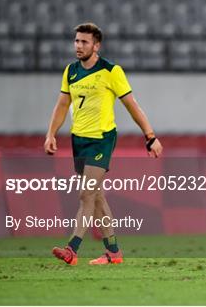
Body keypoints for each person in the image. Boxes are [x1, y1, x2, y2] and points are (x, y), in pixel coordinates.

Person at [44, 23, 163, 265]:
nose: (78, 46)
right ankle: (113, 252)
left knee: (86, 194)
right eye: (76, 41)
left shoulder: (111, 71)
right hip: (79, 140)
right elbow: (62, 106)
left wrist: (150, 136)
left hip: (101, 140)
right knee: (96, 196)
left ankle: (72, 249)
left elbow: (132, 105)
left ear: (96, 45)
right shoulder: (71, 71)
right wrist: (51, 134)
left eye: (84, 42)